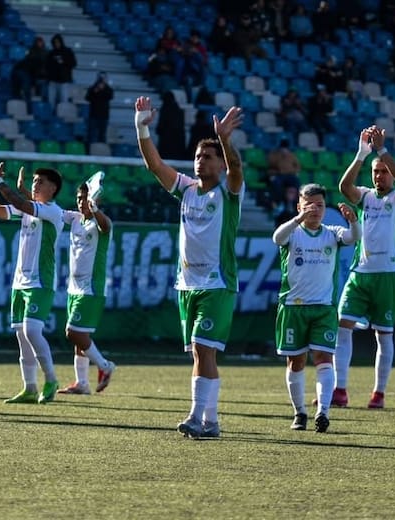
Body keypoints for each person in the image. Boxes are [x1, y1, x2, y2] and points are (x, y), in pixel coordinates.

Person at [135, 95, 245, 439]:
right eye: (198, 156)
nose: (200, 162)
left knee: (202, 347)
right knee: (200, 352)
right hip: (188, 283)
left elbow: (238, 169)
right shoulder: (185, 189)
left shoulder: (228, 192)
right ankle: (211, 422)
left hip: (217, 282)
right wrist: (141, 127)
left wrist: (224, 140)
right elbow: (155, 166)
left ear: (220, 164)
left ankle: (197, 417)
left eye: (208, 157)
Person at [334, 126, 395, 409]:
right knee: (342, 325)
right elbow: (344, 187)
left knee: (384, 335)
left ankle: (379, 393)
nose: (379, 175)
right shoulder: (365, 197)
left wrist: (382, 151)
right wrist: (362, 154)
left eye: (383, 171)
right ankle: (339, 389)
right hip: (360, 273)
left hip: (388, 275)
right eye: (375, 172)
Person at [273, 183, 359, 432]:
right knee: (295, 362)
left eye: (320, 205)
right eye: (309, 205)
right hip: (293, 308)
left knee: (324, 360)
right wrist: (298, 218)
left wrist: (353, 221)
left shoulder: (331, 233)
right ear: (299, 206)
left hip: (323, 309)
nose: (315, 210)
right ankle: (299, 412)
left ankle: (323, 412)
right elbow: (277, 237)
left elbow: (353, 237)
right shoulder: (292, 233)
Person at [0, 162, 64, 405]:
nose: (35, 183)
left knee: (32, 330)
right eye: (34, 180)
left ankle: (51, 379)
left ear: (53, 188)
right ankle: (29, 388)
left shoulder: (52, 210)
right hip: (20, 282)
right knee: (21, 335)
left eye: (41, 181)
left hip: (40, 281)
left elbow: (19, 202)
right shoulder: (31, 210)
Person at [57, 182, 117, 395]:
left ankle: (104, 365)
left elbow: (106, 226)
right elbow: (47, 209)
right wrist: (27, 193)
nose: (82, 202)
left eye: (86, 198)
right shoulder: (74, 218)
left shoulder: (101, 222)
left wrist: (95, 209)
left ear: (96, 200)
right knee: (79, 338)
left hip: (91, 289)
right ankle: (82, 383)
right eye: (79, 198)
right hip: (74, 287)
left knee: (72, 332)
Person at [84, 72, 114, 151]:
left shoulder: (108, 89)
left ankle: (101, 151)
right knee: (92, 135)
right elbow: (87, 97)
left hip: (104, 115)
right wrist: (96, 90)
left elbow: (110, 96)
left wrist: (103, 89)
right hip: (93, 115)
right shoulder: (92, 88)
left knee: (102, 135)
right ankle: (90, 151)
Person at [46, 34, 76, 108]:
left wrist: (63, 61)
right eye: (55, 42)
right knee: (51, 101)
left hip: (64, 81)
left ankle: (63, 116)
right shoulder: (51, 53)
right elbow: (47, 66)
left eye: (58, 42)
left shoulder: (68, 51)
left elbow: (73, 64)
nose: (56, 44)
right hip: (53, 80)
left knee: (64, 101)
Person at [266, 138, 301, 202]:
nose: (284, 150)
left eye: (286, 148)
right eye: (283, 148)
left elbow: (298, 166)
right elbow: (271, 164)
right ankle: (279, 202)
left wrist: (295, 172)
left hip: (290, 174)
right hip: (279, 174)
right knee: (276, 184)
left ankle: (296, 203)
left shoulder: (291, 155)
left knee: (297, 183)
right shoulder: (274, 154)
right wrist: (281, 156)